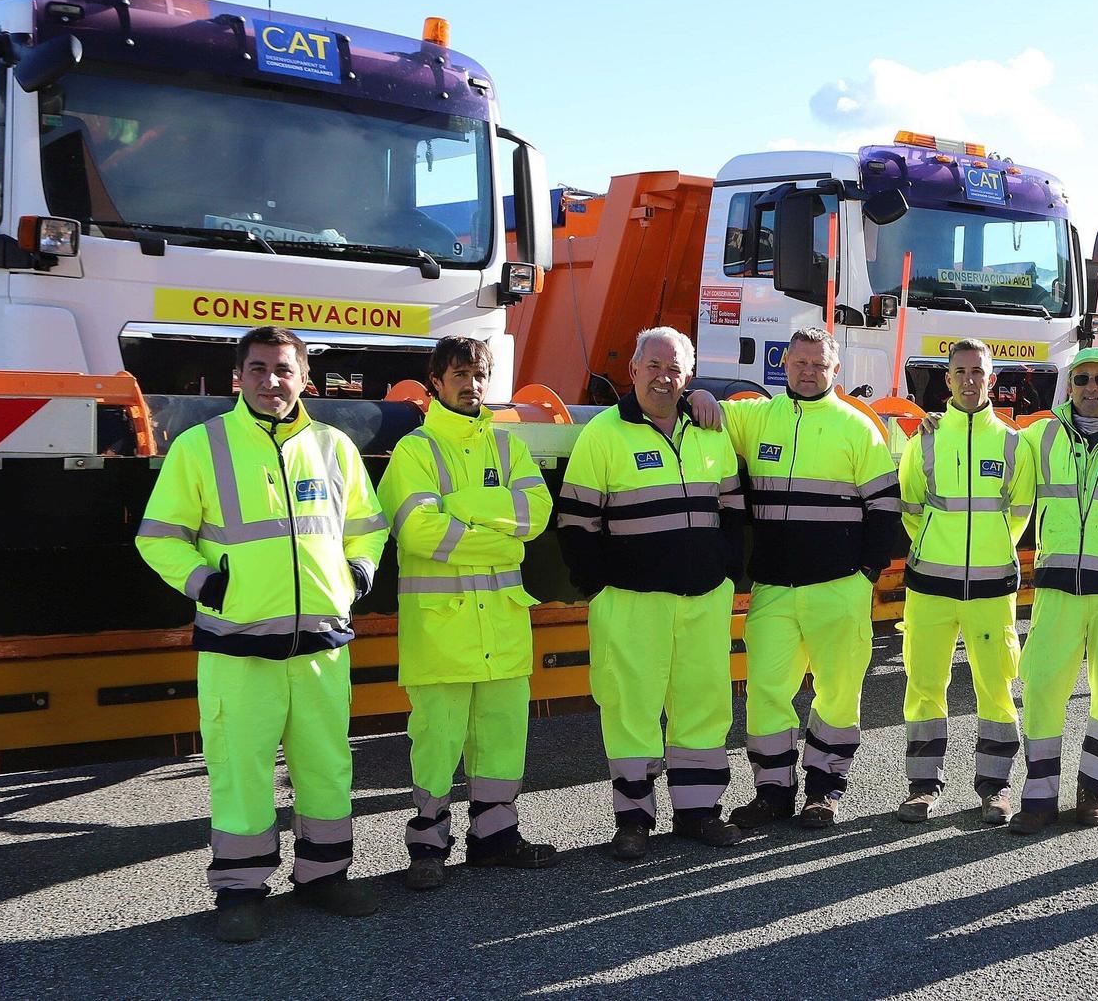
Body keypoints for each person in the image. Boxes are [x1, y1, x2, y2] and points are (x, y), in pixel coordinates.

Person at [135, 326, 390, 941]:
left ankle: (324, 876)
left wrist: (358, 572)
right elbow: (157, 536)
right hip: (237, 646)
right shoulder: (201, 446)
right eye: (257, 369)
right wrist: (205, 584)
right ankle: (241, 890)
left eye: (283, 369)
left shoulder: (335, 447)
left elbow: (368, 527)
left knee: (326, 766)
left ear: (305, 379)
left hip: (321, 648)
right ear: (237, 377)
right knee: (240, 770)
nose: (271, 381)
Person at [685, 327, 904, 828]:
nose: (809, 372)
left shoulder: (856, 428)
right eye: (800, 362)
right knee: (765, 690)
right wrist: (697, 392)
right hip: (774, 590)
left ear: (835, 371)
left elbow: (884, 509)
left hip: (839, 587)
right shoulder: (756, 418)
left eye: (819, 365)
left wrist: (865, 574)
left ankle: (824, 793)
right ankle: (773, 792)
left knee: (838, 692)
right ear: (784, 363)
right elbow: (701, 411)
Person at [556, 327, 747, 860]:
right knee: (630, 709)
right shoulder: (605, 433)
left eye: (675, 369)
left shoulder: (710, 431)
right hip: (631, 601)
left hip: (703, 599)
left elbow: (733, 508)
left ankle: (698, 813)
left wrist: (724, 567)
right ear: (634, 370)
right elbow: (575, 522)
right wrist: (599, 584)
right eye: (654, 366)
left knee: (704, 707)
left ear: (688, 377)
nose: (664, 377)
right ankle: (634, 821)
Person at [378, 336, 557, 891]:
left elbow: (538, 513)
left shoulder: (508, 448)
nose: (471, 383)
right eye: (458, 374)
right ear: (435, 380)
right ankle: (428, 846)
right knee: (437, 742)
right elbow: (418, 529)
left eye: (479, 374)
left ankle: (495, 838)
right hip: (442, 631)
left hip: (501, 625)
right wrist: (501, 540)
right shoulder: (415, 451)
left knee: (502, 736)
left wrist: (462, 509)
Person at [1009, 347, 1098, 835]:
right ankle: (1039, 793)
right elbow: (987, 446)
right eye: (1082, 378)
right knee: (1044, 685)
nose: (1092, 387)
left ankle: (1094, 791)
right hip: (1057, 587)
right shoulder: (1039, 435)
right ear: (1069, 386)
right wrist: (938, 429)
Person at [896, 339, 1037, 826]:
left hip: (992, 586)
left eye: (978, 371)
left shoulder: (1015, 444)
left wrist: (989, 549)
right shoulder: (925, 440)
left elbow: (1020, 513)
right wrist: (941, 545)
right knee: (924, 684)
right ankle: (922, 786)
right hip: (930, 584)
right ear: (948, 379)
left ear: (991, 379)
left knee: (996, 686)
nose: (970, 379)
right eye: (960, 371)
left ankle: (995, 788)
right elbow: (912, 508)